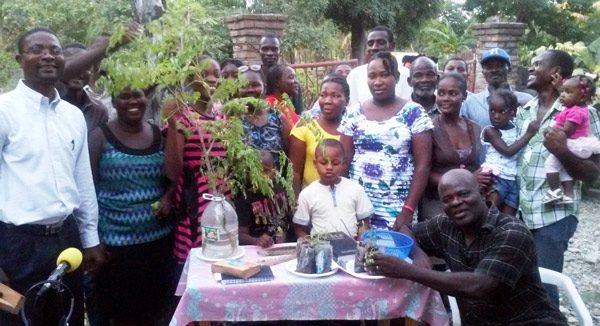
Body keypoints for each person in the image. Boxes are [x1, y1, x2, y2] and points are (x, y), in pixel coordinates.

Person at [366, 169, 567, 325]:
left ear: (483, 193)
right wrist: (418, 254)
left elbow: (479, 286)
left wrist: (408, 270)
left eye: (463, 194)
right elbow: (404, 228)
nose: (456, 203)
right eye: (447, 199)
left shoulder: (511, 231)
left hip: (530, 321)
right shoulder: (446, 225)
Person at [0, 28, 105, 325]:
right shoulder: (4, 111)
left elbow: (83, 183)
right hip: (17, 245)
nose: (48, 55)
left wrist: (91, 239)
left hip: (66, 241)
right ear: (20, 59)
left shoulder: (72, 117)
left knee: (65, 318)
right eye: (37, 49)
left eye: (55, 50)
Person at [518, 49, 600, 304]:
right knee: (520, 286)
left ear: (555, 74)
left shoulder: (585, 114)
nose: (530, 68)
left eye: (537, 64)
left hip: (554, 214)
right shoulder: (526, 110)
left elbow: (593, 173)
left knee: (545, 288)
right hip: (522, 212)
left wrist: (562, 151)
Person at [88, 87, 174, 325]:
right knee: (122, 313)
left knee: (156, 309)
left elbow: (174, 178)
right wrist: (93, 240)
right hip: (116, 245)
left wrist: (167, 198)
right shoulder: (99, 137)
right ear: (114, 101)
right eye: (124, 96)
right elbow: (87, 190)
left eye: (138, 95)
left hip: (159, 241)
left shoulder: (159, 135)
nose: (132, 101)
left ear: (147, 99)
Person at [339, 51, 432, 229]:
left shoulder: (414, 113)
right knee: (359, 254)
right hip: (358, 206)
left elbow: (423, 166)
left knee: (394, 255)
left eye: (384, 74)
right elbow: (344, 162)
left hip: (398, 207)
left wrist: (408, 209)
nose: (378, 81)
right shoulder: (353, 114)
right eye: (372, 76)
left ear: (396, 77)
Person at [163, 56, 226, 265]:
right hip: (196, 200)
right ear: (191, 81)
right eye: (204, 74)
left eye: (217, 74)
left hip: (223, 197)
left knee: (224, 255)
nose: (212, 79)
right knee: (200, 261)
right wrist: (172, 123)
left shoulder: (221, 113)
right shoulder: (183, 114)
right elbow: (172, 171)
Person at [422, 73, 482, 219]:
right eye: (441, 93)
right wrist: (466, 179)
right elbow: (423, 171)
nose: (445, 98)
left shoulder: (474, 128)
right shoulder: (427, 128)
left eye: (452, 93)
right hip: (438, 201)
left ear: (465, 96)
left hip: (469, 202)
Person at [293, 139, 373, 239]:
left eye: (335, 163)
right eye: (323, 163)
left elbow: (364, 222)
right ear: (315, 164)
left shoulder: (355, 189)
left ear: (343, 164)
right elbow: (299, 228)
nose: (329, 167)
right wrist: (313, 245)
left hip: (351, 249)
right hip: (321, 250)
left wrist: (360, 245)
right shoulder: (307, 194)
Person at [481, 89, 539, 215]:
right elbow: (508, 151)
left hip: (512, 180)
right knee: (490, 214)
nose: (496, 116)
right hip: (496, 178)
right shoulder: (490, 132)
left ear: (513, 113)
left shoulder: (516, 128)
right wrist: (529, 134)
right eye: (492, 110)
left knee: (508, 221)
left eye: (502, 111)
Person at [543, 75, 600, 204]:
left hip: (573, 144)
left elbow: (566, 131)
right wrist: (561, 89)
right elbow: (565, 98)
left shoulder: (576, 112)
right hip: (577, 144)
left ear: (582, 97)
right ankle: (568, 194)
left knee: (550, 164)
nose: (562, 95)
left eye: (567, 92)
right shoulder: (573, 108)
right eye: (562, 91)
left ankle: (555, 191)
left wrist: (551, 132)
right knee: (563, 169)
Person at [289, 74, 347, 195]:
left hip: (344, 200)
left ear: (347, 99)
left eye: (335, 96)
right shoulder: (304, 126)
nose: (327, 101)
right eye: (323, 95)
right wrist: (296, 203)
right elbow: (295, 171)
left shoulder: (353, 129)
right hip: (311, 200)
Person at [461, 47, 533, 127]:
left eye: (499, 66)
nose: (494, 70)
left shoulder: (526, 100)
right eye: (489, 67)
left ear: (509, 69)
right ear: (483, 72)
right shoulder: (471, 103)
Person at [234, 151, 293, 247]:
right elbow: (240, 234)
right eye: (256, 171)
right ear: (248, 172)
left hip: (284, 246)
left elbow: (289, 218)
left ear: (275, 170)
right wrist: (256, 241)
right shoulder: (244, 197)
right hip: (259, 249)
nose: (261, 176)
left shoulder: (281, 188)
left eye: (265, 171)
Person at [346, 26, 412, 106]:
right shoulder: (355, 75)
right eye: (370, 44)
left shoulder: (407, 75)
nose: (374, 47)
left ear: (392, 46)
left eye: (381, 42)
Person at [239, 64, 291, 163]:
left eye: (255, 85)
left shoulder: (279, 118)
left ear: (265, 87)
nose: (250, 89)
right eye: (244, 86)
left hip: (276, 177)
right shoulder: (233, 119)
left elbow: (289, 155)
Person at [60, 43, 109, 134]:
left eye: (86, 67)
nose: (78, 72)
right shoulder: (42, 102)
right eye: (75, 66)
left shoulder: (98, 111)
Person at [259, 33, 304, 114]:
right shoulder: (254, 78)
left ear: (280, 51)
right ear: (259, 50)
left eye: (274, 49)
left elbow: (298, 113)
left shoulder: (291, 82)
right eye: (265, 49)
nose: (269, 53)